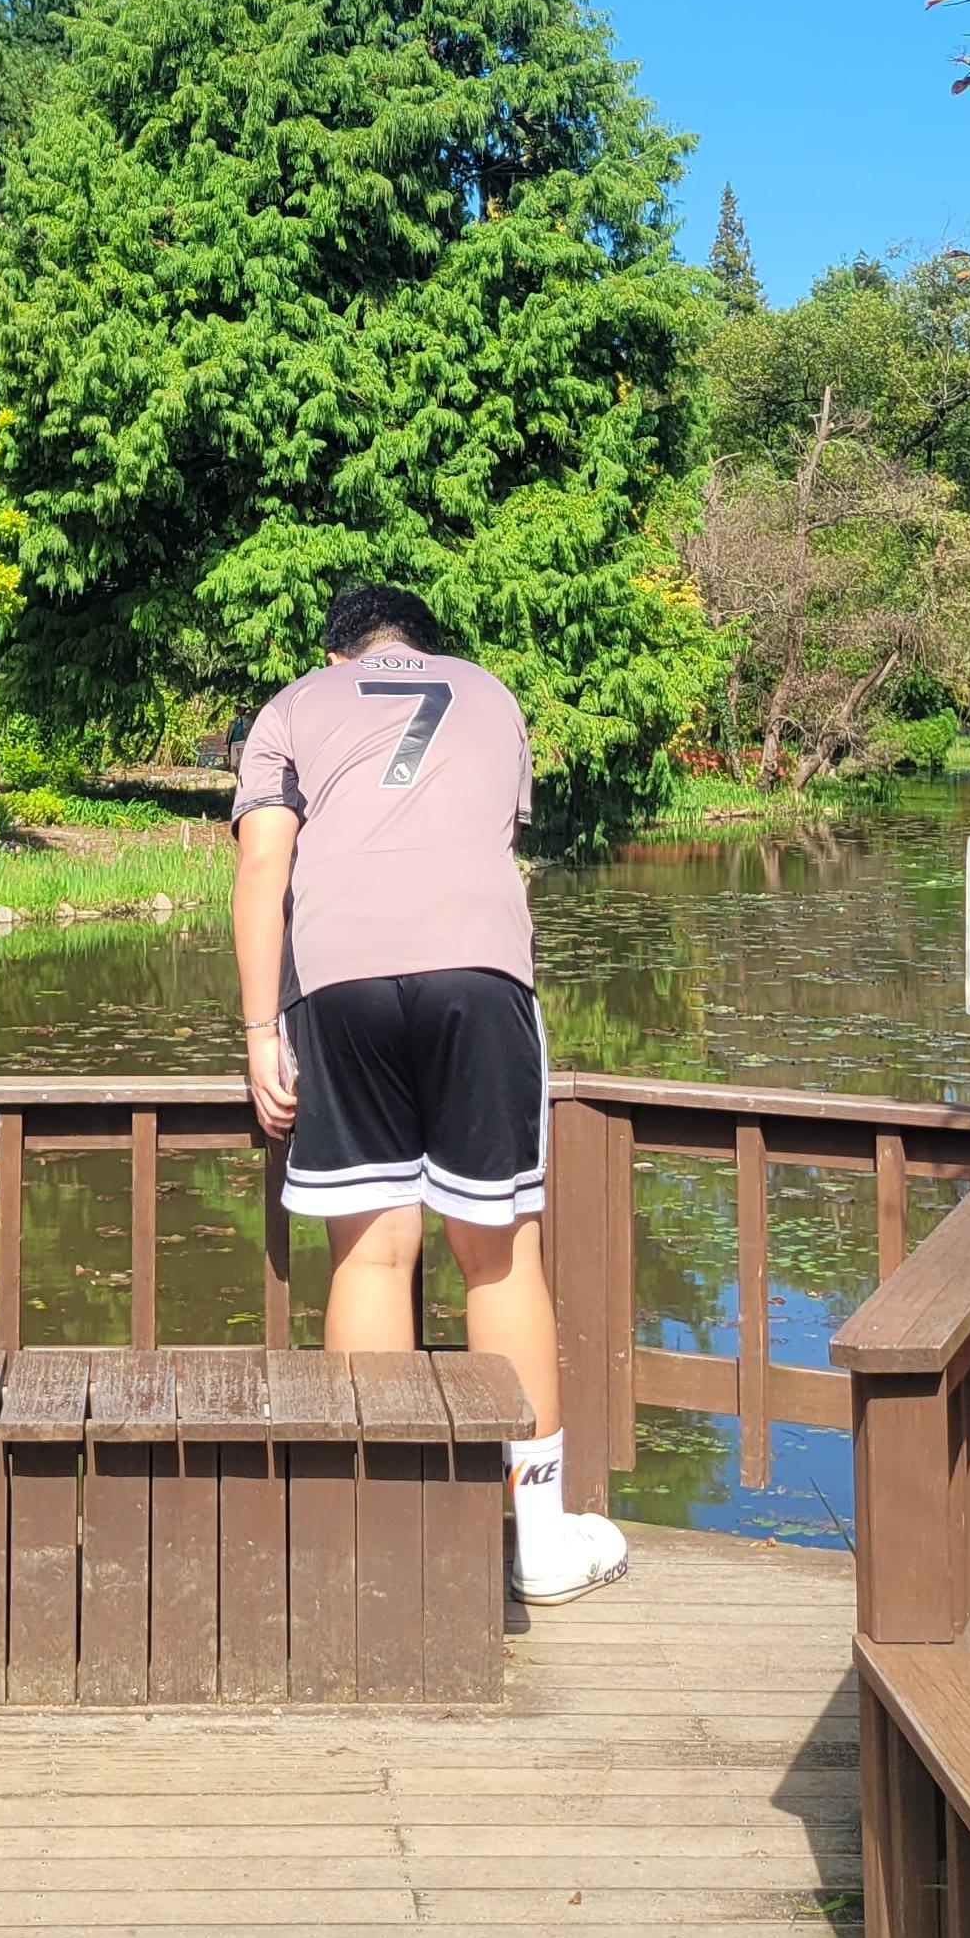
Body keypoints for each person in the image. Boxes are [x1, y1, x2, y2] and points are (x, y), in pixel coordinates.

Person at [229, 580, 628, 1603]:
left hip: (339, 982)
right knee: (499, 1254)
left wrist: (260, 1033)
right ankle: (540, 1542)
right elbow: (494, 837)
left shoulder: (292, 706)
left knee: (371, 1250)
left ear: (337, 656)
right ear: (427, 647)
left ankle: (380, 1542)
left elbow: (263, 867)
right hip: (480, 976)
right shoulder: (491, 694)